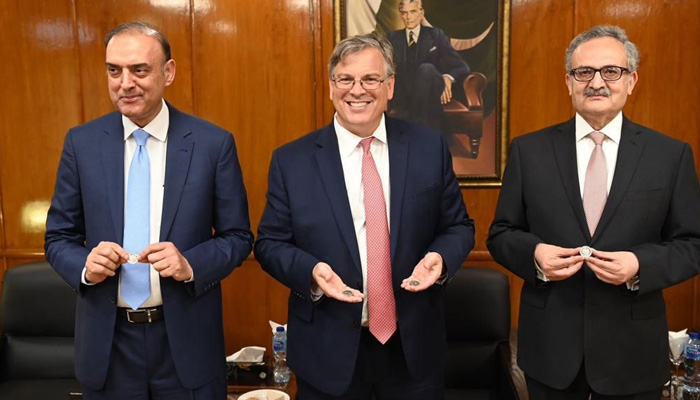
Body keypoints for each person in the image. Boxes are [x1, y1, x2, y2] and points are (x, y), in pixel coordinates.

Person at [254, 32, 474, 399]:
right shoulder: (291, 161)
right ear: (331, 86)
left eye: (370, 79)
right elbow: (269, 244)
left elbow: (457, 226)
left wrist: (440, 258)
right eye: (346, 79)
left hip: (412, 350)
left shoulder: (428, 148)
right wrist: (311, 272)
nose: (358, 90)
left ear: (389, 86)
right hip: (326, 352)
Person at [487, 25, 700, 399]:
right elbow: (502, 233)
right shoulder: (529, 151)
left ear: (631, 80)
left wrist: (639, 265)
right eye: (583, 72)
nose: (596, 82)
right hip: (550, 351)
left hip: (632, 353)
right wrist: (535, 256)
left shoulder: (670, 155)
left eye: (610, 71)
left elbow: (692, 244)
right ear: (568, 82)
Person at [44, 22, 253, 399]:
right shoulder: (82, 143)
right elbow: (59, 238)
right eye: (114, 70)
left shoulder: (212, 144)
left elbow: (238, 238)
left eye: (139, 69)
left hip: (185, 345)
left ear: (167, 72)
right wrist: (86, 267)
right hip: (109, 346)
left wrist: (191, 264)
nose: (125, 83)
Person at [387, 0, 470, 134]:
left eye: (413, 12)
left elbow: (461, 66)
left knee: (427, 69)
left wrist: (448, 78)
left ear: (421, 13)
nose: (408, 17)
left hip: (431, 87)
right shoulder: (391, 38)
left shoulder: (436, 35)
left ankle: (415, 135)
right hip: (403, 92)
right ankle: (428, 137)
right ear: (401, 15)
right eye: (404, 13)